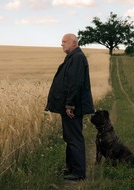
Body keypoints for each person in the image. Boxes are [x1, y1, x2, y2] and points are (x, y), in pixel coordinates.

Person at [45, 33, 94, 180]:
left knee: (74, 138)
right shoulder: (73, 57)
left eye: (64, 41)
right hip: (70, 106)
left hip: (73, 107)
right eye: (62, 42)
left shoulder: (77, 58)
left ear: (74, 43)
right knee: (69, 138)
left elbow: (75, 83)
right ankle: (71, 168)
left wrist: (70, 105)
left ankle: (78, 173)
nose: (62, 44)